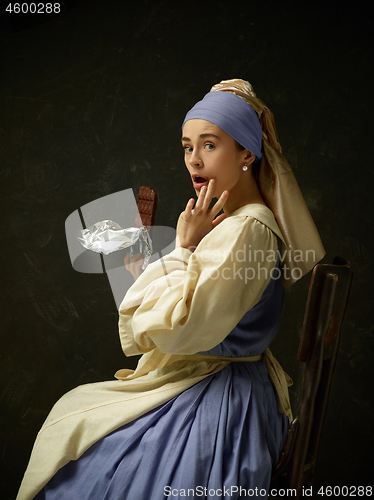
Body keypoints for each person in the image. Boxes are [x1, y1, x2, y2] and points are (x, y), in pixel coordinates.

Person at [17, 79, 325, 500]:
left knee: (91, 453)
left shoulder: (248, 229)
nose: (194, 161)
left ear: (247, 153)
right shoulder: (234, 223)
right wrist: (170, 261)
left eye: (210, 145)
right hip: (214, 381)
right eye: (186, 147)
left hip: (223, 403)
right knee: (76, 420)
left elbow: (183, 326)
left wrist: (183, 248)